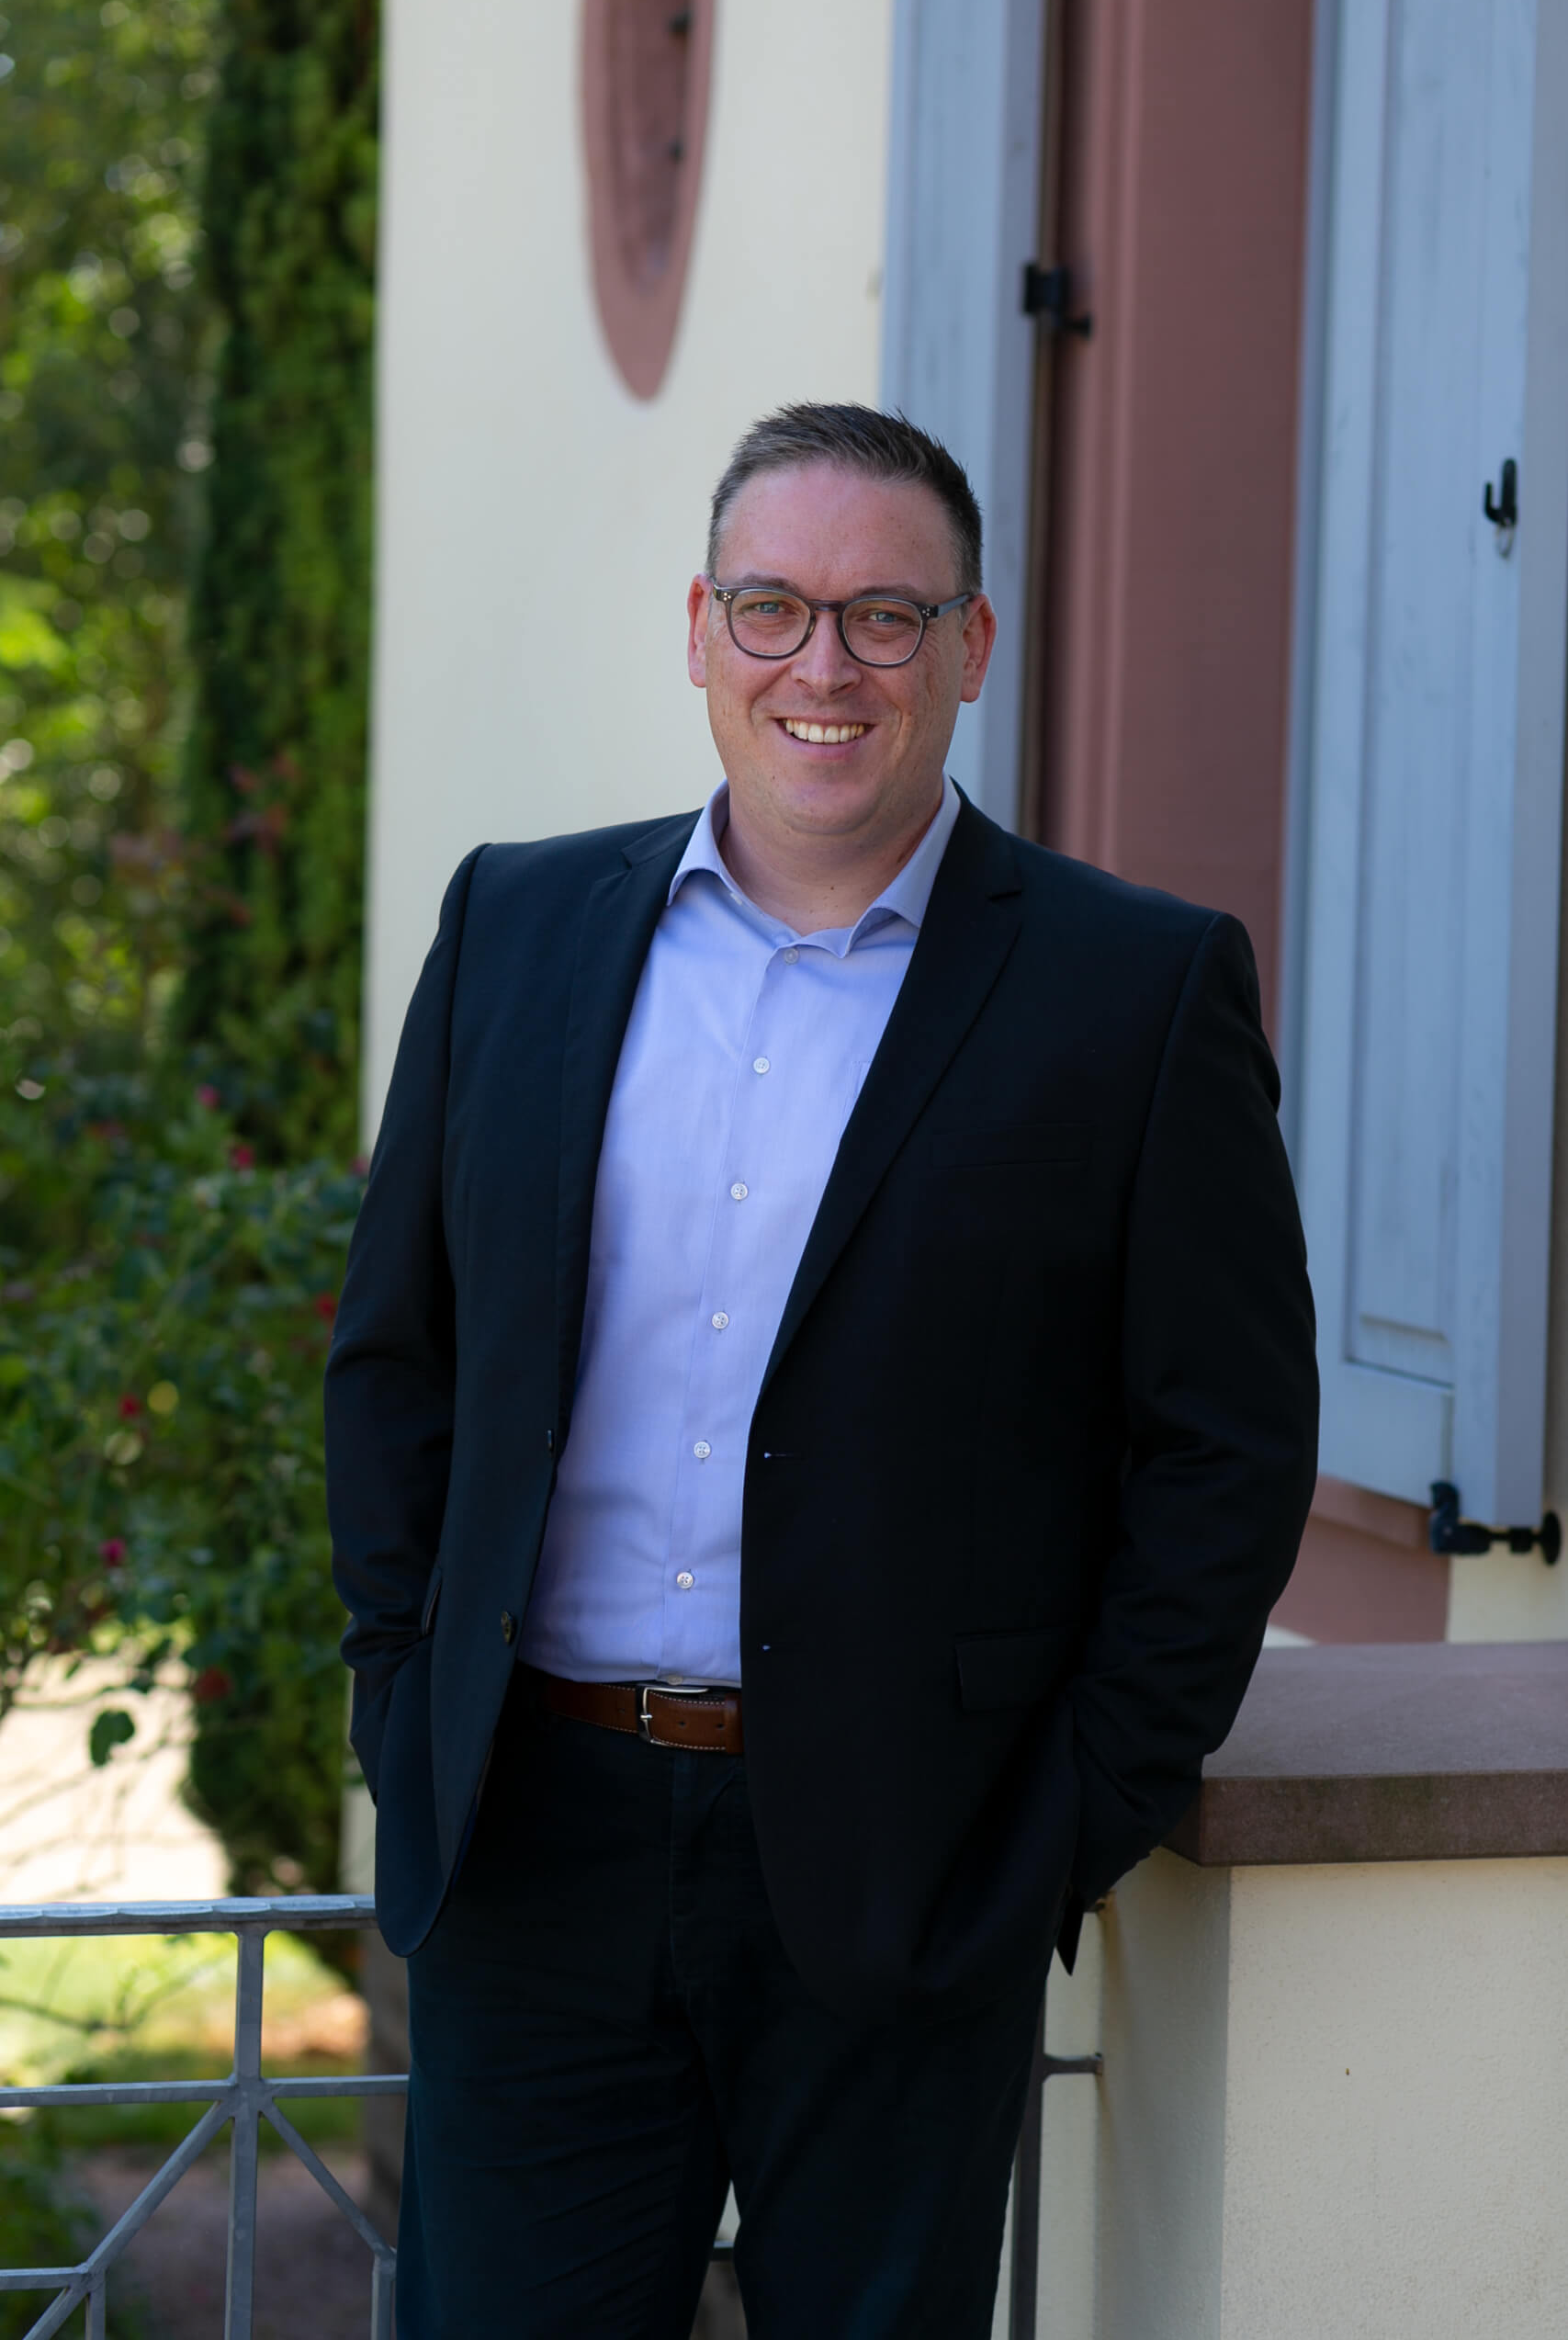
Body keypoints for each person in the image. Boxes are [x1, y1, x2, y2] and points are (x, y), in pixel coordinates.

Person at [324, 402, 1318, 2336]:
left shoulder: (1130, 986)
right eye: (773, 607)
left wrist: (1063, 1817)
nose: (823, 665)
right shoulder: (514, 921)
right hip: (537, 1834)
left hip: (903, 1856)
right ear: (699, 628)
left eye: (883, 615)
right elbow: (399, 1358)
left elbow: (1224, 1441)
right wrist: (399, 1692)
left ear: (970, 647)